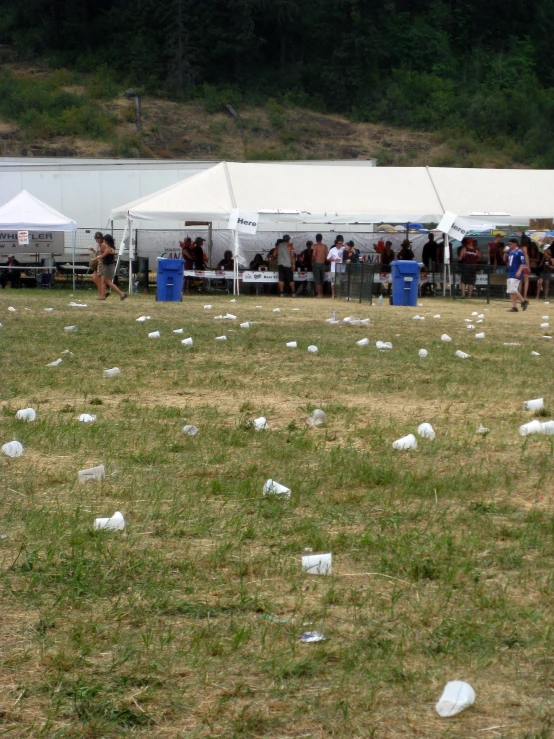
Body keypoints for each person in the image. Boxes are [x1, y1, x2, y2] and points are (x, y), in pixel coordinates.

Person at [97, 234, 127, 301]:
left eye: (104, 240)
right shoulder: (108, 247)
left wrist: (95, 259)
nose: (103, 241)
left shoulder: (109, 248)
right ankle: (103, 295)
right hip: (107, 265)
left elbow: (103, 255)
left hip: (109, 266)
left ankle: (121, 293)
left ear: (107, 240)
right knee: (103, 280)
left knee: (108, 282)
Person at [506, 237, 528, 312]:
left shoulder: (519, 252)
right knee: (510, 290)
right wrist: (504, 252)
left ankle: (523, 301)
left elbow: (522, 263)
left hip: (515, 272)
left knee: (513, 289)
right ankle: (514, 307)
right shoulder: (510, 252)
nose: (509, 245)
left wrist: (519, 271)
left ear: (515, 243)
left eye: (510, 244)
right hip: (511, 272)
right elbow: (505, 260)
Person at [88, 231, 104, 297]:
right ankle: (103, 292)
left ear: (101, 238)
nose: (97, 239)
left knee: (99, 279)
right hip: (98, 263)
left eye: (98, 238)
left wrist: (96, 258)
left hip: (101, 264)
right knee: (94, 278)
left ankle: (102, 294)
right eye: (96, 238)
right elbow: (98, 253)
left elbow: (102, 254)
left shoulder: (103, 244)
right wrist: (93, 250)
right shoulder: (98, 245)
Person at [312, 233, 328, 299]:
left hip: (317, 263)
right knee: (322, 279)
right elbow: (327, 256)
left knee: (317, 279)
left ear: (316, 239)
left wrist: (313, 262)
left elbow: (313, 255)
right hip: (323, 263)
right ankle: (321, 293)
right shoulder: (325, 246)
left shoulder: (315, 246)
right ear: (321, 239)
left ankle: (319, 294)